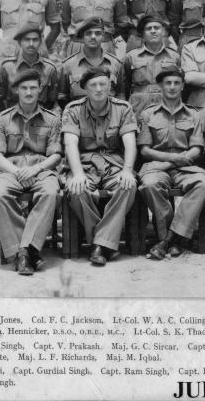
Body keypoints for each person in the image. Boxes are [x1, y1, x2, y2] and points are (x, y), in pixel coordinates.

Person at [0, 69, 62, 275]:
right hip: (10, 170)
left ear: (40, 91)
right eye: (24, 88)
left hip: (41, 170)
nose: (29, 92)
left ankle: (23, 251)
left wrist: (36, 169)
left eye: (33, 88)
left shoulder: (52, 119)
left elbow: (56, 155)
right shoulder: (3, 119)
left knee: (50, 192)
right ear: (17, 91)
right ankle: (28, 251)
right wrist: (19, 171)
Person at [61, 67, 138, 266]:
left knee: (128, 186)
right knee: (76, 190)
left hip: (114, 164)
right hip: (85, 164)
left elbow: (130, 142)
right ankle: (105, 243)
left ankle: (99, 245)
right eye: (93, 85)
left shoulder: (122, 108)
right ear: (85, 89)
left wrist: (128, 170)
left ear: (110, 86)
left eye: (103, 84)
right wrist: (77, 174)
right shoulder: (73, 109)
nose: (98, 89)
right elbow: (70, 144)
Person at [137, 67, 205, 260]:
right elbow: (144, 150)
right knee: (150, 184)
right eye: (168, 83)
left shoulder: (194, 114)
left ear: (183, 86)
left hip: (186, 165)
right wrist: (172, 159)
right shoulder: (148, 115)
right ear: (160, 86)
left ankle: (168, 240)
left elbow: (197, 148)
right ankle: (174, 238)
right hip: (157, 165)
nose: (172, 87)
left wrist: (181, 159)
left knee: (202, 185)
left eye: (176, 83)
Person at [58, 17, 124, 108]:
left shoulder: (115, 64)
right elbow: (62, 98)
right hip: (78, 118)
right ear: (82, 37)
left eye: (98, 33)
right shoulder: (68, 65)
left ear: (103, 36)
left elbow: (121, 95)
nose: (93, 37)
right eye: (88, 33)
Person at [123, 15, 181, 116]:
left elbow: (180, 85)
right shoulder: (131, 57)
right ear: (143, 34)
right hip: (139, 109)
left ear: (163, 32)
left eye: (156, 28)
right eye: (149, 28)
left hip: (167, 107)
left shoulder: (174, 57)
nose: (153, 31)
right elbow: (124, 86)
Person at [0, 23, 59, 112]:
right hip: (12, 119)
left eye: (35, 40)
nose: (31, 44)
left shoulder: (49, 69)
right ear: (19, 42)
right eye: (27, 40)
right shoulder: (7, 67)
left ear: (40, 42)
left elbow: (52, 100)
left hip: (40, 120)